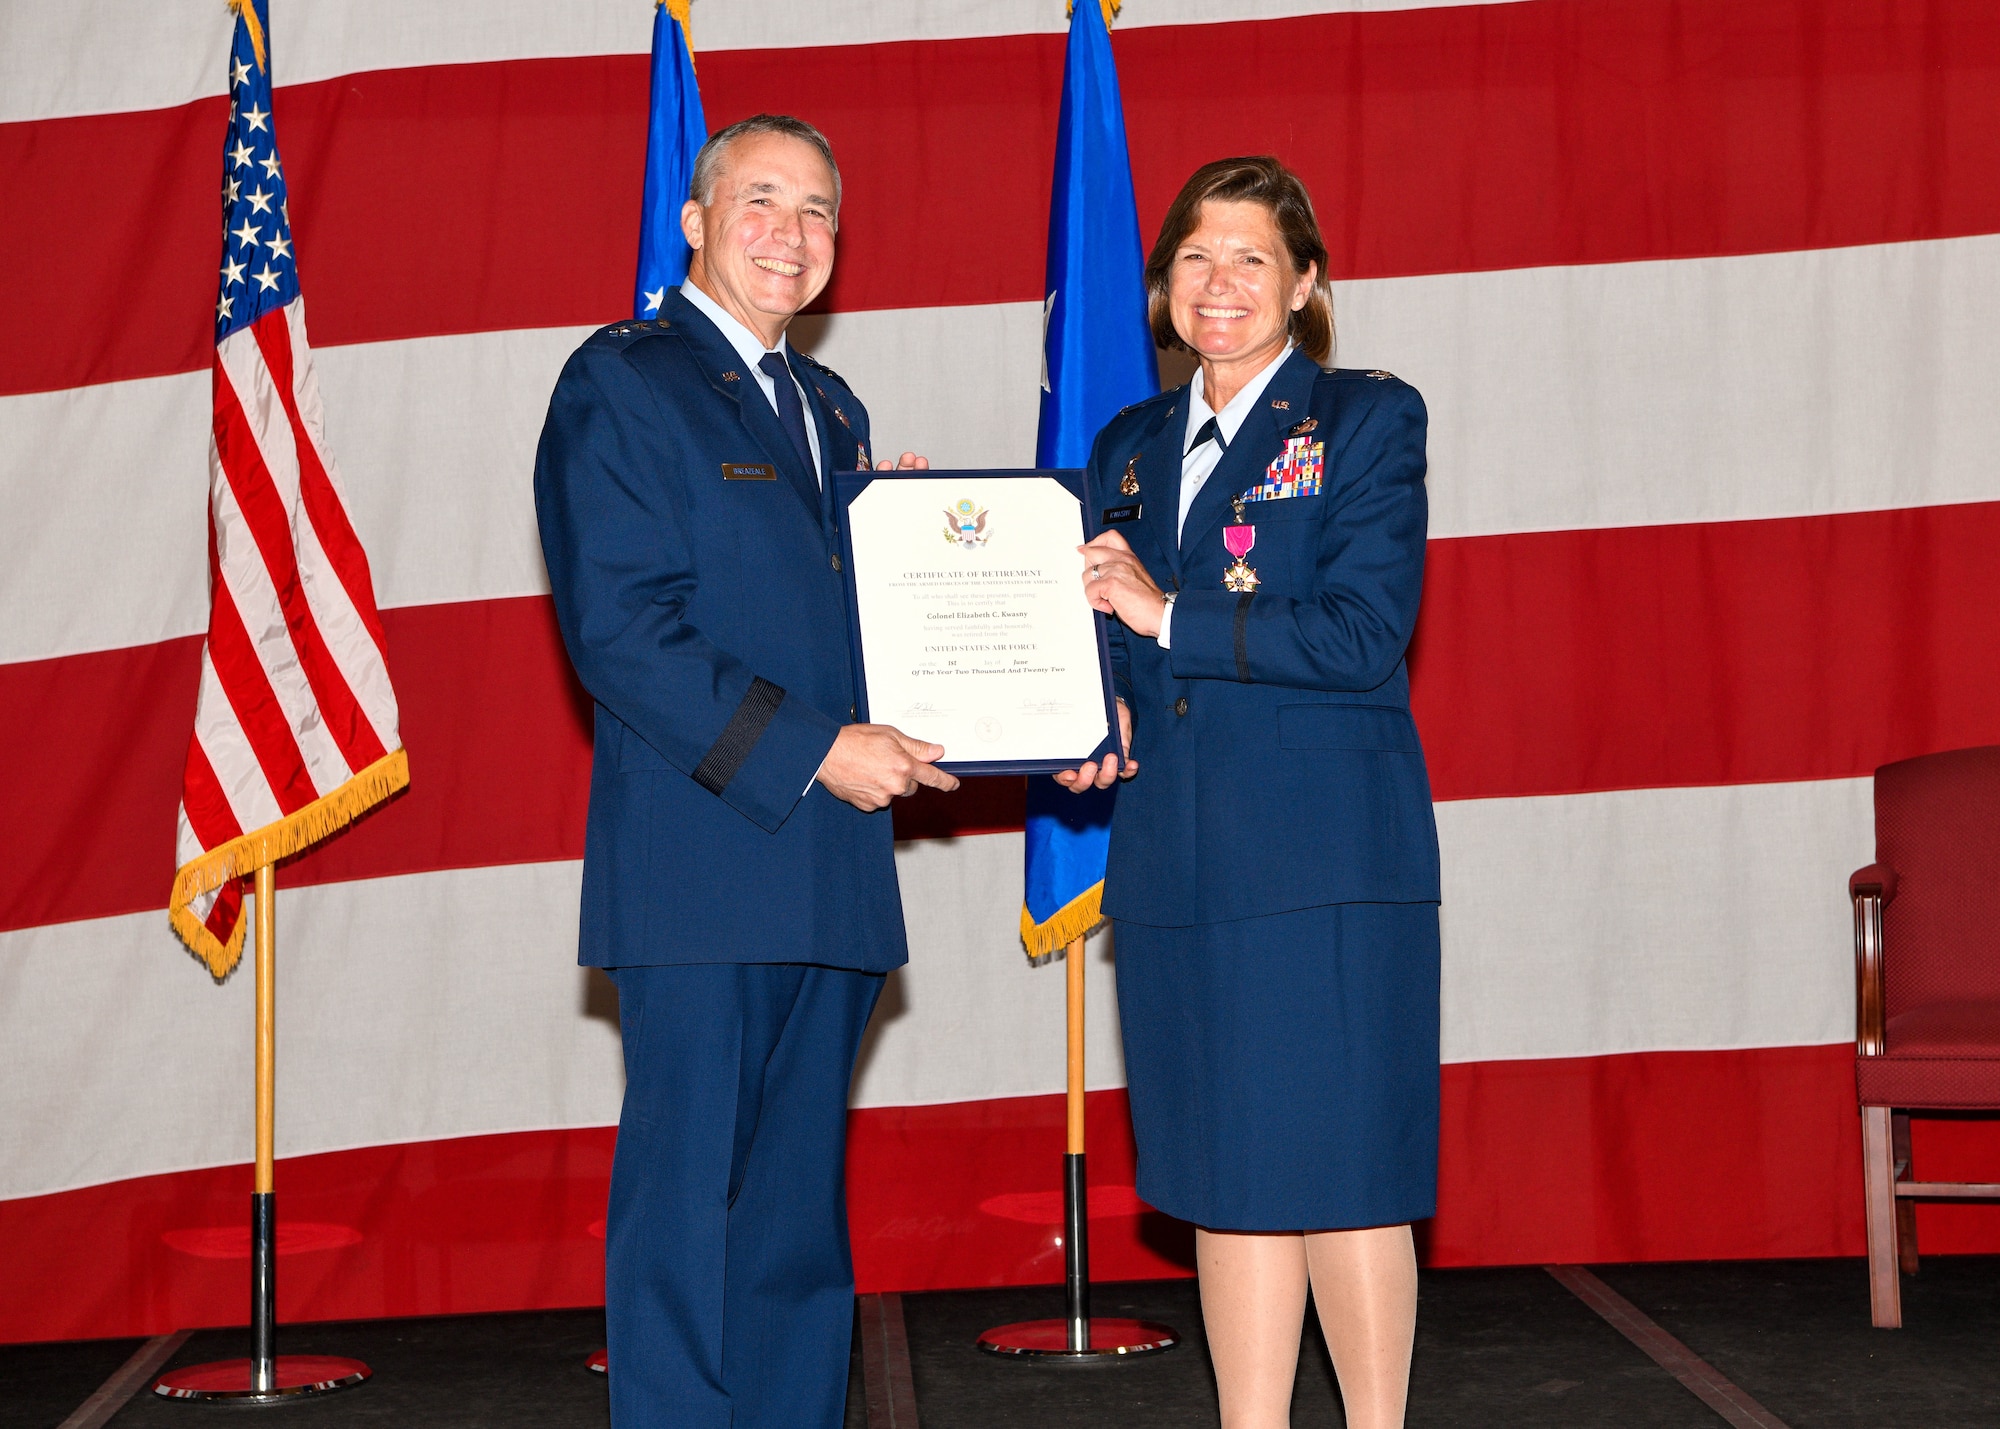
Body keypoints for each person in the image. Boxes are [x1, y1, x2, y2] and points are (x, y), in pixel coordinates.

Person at [533, 114, 956, 1429]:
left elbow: (842, 623)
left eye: (819, 209)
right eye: (762, 200)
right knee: (685, 1228)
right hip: (703, 872)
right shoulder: (624, 382)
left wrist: (950, 599)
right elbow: (624, 635)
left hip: (829, 874)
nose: (793, 231)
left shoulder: (831, 410)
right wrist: (822, 747)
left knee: (789, 1236)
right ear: (696, 221)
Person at [1057, 155, 1441, 1429]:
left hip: (1321, 863)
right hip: (1175, 860)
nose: (1217, 284)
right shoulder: (1123, 444)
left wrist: (1164, 616)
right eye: (1193, 259)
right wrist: (1086, 716)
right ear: (1163, 285)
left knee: (1341, 1176)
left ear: (1305, 285)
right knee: (1224, 1178)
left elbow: (1357, 635)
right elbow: (1110, 643)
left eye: (1250, 260)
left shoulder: (1365, 421)